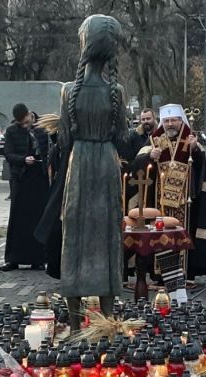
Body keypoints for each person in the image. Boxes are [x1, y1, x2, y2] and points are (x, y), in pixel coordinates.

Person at [54, 14, 127, 331]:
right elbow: (122, 135)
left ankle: (74, 324)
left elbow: (64, 139)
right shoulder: (116, 91)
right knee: (107, 232)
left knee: (75, 235)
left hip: (80, 163)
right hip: (106, 164)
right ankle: (107, 320)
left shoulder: (69, 91)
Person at [133, 103, 206, 287]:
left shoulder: (190, 139)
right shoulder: (154, 140)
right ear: (162, 122)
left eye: (174, 120)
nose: (170, 124)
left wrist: (196, 150)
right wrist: (150, 157)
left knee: (183, 234)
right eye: (167, 120)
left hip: (186, 202)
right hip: (159, 199)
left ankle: (185, 273)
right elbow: (137, 163)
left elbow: (204, 165)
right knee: (160, 234)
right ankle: (160, 276)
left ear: (181, 121)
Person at [3, 103, 48, 271]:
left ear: (30, 115)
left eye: (26, 121)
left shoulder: (41, 128)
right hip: (21, 178)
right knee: (18, 218)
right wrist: (23, 160)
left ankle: (38, 258)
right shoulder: (12, 131)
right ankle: (14, 258)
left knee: (37, 217)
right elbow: (8, 153)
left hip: (38, 178)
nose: (25, 125)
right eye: (21, 123)